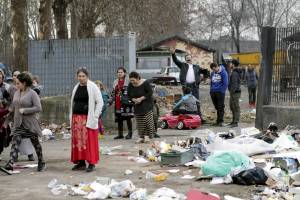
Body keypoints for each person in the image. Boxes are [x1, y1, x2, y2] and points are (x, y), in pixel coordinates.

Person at [4, 72, 45, 172]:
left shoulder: (32, 93)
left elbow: (38, 108)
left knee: (35, 143)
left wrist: (25, 110)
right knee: (15, 142)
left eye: (18, 83)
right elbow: (13, 108)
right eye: (16, 83)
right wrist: (6, 121)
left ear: (25, 83)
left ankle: (41, 161)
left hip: (30, 124)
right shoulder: (17, 93)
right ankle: (11, 162)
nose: (16, 85)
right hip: (18, 123)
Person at [70, 68, 103, 172]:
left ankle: (91, 163)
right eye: (79, 76)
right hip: (76, 119)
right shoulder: (76, 87)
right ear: (77, 77)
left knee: (88, 142)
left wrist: (96, 116)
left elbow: (100, 102)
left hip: (87, 119)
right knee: (78, 142)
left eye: (83, 76)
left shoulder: (93, 86)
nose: (81, 78)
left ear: (87, 76)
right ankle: (81, 162)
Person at [171, 48, 207, 122]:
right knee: (187, 101)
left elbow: (205, 72)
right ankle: (189, 117)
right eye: (187, 58)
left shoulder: (196, 67)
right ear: (185, 59)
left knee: (196, 102)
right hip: (186, 87)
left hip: (194, 86)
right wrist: (173, 54)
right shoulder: (183, 65)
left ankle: (199, 117)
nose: (188, 59)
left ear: (191, 59)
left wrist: (204, 78)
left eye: (189, 58)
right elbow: (176, 61)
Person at [8, 70, 35, 162]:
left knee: (28, 137)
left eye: (17, 75)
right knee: (16, 136)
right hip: (16, 115)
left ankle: (30, 154)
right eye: (14, 75)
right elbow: (10, 101)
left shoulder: (28, 89)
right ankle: (13, 157)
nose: (15, 77)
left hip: (27, 117)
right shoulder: (11, 88)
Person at [127, 71, 155, 143]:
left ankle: (147, 136)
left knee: (147, 121)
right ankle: (141, 136)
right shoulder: (130, 85)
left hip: (147, 104)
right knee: (140, 122)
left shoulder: (145, 83)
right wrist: (134, 99)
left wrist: (141, 98)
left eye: (133, 80)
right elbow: (128, 95)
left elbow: (150, 92)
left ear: (138, 78)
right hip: (137, 105)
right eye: (131, 80)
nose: (132, 82)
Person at [111, 67, 134, 140]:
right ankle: (120, 134)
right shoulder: (115, 81)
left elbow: (131, 91)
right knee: (119, 118)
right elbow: (113, 92)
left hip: (126, 102)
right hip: (118, 102)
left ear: (124, 73)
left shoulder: (128, 81)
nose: (120, 73)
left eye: (121, 72)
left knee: (128, 118)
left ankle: (130, 133)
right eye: (118, 72)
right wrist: (111, 99)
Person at [0, 69, 11, 161]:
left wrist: (5, 104)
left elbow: (10, 100)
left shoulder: (6, 87)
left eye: (0, 76)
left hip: (4, 113)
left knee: (5, 133)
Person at [228, 59, 242, 128]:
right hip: (234, 92)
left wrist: (231, 92)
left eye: (231, 63)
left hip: (235, 92)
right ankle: (233, 121)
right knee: (232, 106)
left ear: (233, 64)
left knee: (236, 107)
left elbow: (234, 84)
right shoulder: (234, 72)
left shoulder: (235, 73)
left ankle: (235, 122)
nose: (230, 64)